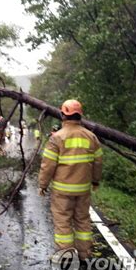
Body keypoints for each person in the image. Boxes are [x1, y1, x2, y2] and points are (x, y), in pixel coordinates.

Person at [38, 99, 103, 261]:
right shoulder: (92, 137)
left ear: (63, 115)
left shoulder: (57, 138)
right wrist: (95, 181)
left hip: (62, 191)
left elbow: (48, 166)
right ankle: (83, 254)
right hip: (83, 190)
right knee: (82, 222)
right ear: (80, 115)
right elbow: (98, 162)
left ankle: (66, 257)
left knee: (63, 223)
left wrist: (43, 185)